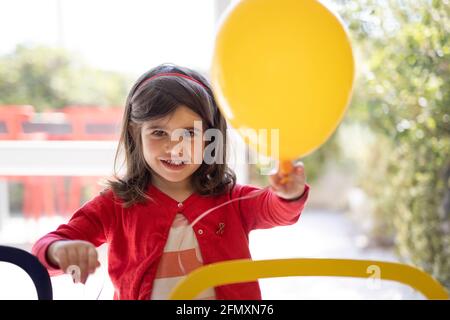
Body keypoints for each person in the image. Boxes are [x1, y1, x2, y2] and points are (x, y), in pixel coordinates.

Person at [32, 63, 310, 300]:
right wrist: (59, 250)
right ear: (135, 133)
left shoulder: (231, 199)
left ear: (210, 137)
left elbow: (276, 209)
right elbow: (46, 249)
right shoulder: (115, 204)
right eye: (159, 133)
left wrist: (288, 194)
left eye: (190, 133)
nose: (175, 147)